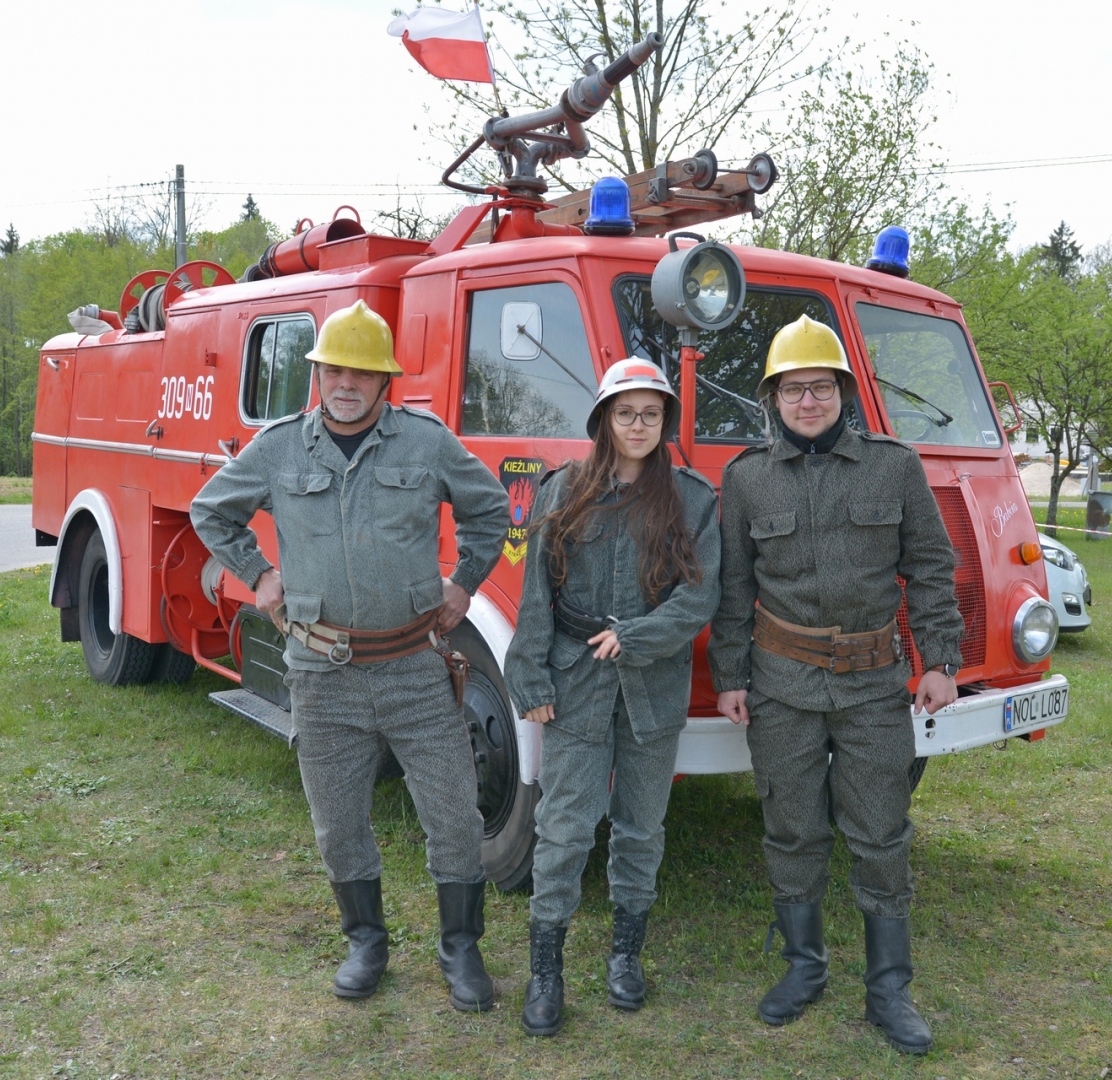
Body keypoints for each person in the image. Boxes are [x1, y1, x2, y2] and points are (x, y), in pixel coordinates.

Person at [190, 300, 511, 1012]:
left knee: (455, 815)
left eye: (362, 373)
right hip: (321, 673)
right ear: (317, 374)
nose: (346, 383)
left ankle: (461, 947)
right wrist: (259, 574)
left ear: (384, 380)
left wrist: (465, 583)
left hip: (414, 668)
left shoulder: (425, 443)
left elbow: (490, 508)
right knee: (338, 821)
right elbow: (211, 510)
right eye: (334, 369)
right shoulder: (279, 448)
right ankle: (365, 941)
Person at [707, 315, 963, 1054]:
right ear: (773, 399)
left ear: (844, 393)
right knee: (792, 828)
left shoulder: (895, 467)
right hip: (781, 683)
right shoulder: (746, 478)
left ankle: (888, 990)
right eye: (793, 389)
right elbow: (734, 588)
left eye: (821, 387)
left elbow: (931, 567)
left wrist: (940, 661)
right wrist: (730, 677)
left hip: (873, 684)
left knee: (880, 830)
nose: (808, 401)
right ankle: (804, 967)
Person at [503, 359, 722, 1037]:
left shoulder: (691, 498)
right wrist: (529, 677)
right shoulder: (564, 489)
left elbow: (701, 596)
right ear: (604, 419)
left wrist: (639, 636)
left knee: (640, 828)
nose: (637, 425)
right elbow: (536, 591)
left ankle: (626, 955)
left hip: (653, 686)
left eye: (650, 414)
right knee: (564, 827)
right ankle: (546, 971)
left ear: (665, 422)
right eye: (625, 413)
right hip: (575, 683)